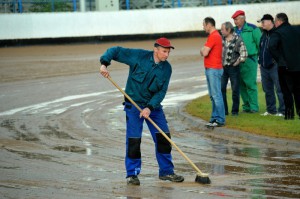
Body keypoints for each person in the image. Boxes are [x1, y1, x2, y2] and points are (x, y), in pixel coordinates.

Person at [99, 37, 184, 185]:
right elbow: (116, 50)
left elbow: (161, 92)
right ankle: (132, 174)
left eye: (168, 52)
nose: (167, 55)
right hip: (133, 105)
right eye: (164, 51)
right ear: (155, 49)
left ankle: (166, 172)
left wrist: (149, 107)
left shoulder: (167, 68)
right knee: (134, 140)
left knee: (164, 138)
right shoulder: (138, 56)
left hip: (153, 108)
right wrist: (104, 64)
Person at [269, 13, 300, 120]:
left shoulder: (277, 32)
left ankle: (289, 115)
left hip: (285, 67)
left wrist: (279, 60)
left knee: (286, 91)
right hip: (298, 66)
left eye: (275, 21)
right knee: (298, 90)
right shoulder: (297, 30)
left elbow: (272, 47)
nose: (275, 23)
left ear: (279, 21)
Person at [232, 10, 262, 113]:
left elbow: (260, 44)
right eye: (234, 20)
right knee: (241, 85)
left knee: (250, 84)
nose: (235, 21)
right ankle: (246, 106)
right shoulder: (233, 30)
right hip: (237, 61)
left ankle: (254, 107)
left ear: (242, 18)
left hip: (250, 60)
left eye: (236, 19)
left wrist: (258, 58)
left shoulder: (253, 29)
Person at [258, 14, 285, 117]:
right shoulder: (263, 35)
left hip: (275, 66)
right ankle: (271, 110)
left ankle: (282, 110)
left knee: (280, 89)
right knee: (267, 90)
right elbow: (261, 48)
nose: (262, 24)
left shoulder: (278, 34)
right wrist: (260, 62)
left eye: (263, 22)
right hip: (264, 67)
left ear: (270, 21)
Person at [200, 17, 225, 127]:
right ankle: (214, 117)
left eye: (204, 25)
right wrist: (203, 49)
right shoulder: (213, 36)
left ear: (209, 25)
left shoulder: (214, 36)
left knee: (216, 95)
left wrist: (203, 49)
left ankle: (220, 119)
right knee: (213, 95)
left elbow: (204, 52)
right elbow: (204, 51)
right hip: (212, 69)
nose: (203, 27)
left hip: (213, 69)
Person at [220, 21, 248, 116]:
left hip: (233, 68)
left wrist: (237, 62)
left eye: (223, 29)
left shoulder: (238, 39)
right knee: (221, 89)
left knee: (235, 90)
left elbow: (244, 53)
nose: (221, 31)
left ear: (228, 30)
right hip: (223, 68)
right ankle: (224, 111)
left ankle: (235, 111)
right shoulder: (221, 39)